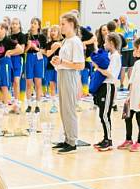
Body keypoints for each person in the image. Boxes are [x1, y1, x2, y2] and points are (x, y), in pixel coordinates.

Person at [52, 13, 84, 154]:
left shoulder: (75, 41)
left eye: (63, 24)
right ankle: (67, 139)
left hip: (70, 76)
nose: (61, 27)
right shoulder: (66, 41)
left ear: (71, 24)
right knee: (63, 108)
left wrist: (62, 62)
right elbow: (64, 61)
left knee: (69, 109)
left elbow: (80, 65)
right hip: (62, 73)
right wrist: (57, 62)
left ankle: (72, 142)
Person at [91, 33, 121, 151]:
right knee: (101, 114)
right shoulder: (109, 55)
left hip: (108, 86)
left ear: (112, 43)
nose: (104, 44)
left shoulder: (116, 56)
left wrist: (97, 68)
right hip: (103, 86)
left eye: (106, 41)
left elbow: (110, 73)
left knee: (105, 114)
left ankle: (109, 140)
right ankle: (105, 138)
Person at [0, 22, 22, 114]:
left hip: (6, 63)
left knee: (4, 86)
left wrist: (10, 52)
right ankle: (1, 105)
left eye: (2, 28)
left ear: (6, 30)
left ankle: (5, 107)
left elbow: (20, 49)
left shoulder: (8, 40)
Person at [24, 17, 47, 113]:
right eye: (31, 23)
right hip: (29, 57)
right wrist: (29, 46)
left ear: (38, 26)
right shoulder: (26, 36)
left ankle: (37, 105)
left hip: (39, 58)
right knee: (28, 83)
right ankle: (29, 105)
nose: (33, 25)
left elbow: (45, 51)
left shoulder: (42, 37)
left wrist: (36, 48)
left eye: (35, 23)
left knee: (38, 83)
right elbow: (23, 51)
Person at [8, 18, 27, 110]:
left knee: (17, 81)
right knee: (11, 82)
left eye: (16, 24)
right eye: (13, 24)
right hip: (10, 60)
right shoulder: (9, 37)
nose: (14, 25)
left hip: (18, 60)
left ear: (19, 25)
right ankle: (13, 101)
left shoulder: (22, 36)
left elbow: (21, 50)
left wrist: (10, 52)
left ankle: (17, 101)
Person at [42, 25, 62, 113]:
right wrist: (55, 47)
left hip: (60, 67)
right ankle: (54, 105)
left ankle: (62, 105)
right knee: (52, 86)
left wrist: (59, 45)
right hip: (50, 67)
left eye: (55, 31)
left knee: (61, 86)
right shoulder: (49, 44)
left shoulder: (63, 42)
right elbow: (48, 54)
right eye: (51, 31)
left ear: (59, 32)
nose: (53, 32)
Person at [116, 15, 137, 89]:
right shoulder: (118, 28)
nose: (122, 21)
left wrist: (136, 47)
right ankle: (121, 84)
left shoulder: (132, 26)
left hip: (131, 49)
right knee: (123, 68)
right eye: (121, 20)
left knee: (131, 68)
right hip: (123, 50)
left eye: (123, 19)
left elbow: (135, 36)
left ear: (126, 19)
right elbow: (118, 40)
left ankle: (129, 84)